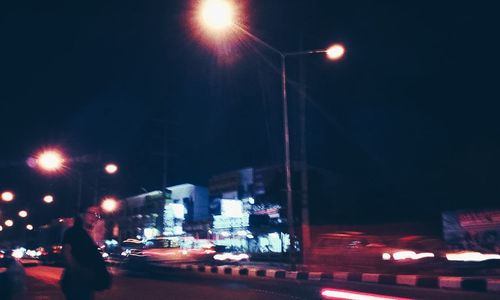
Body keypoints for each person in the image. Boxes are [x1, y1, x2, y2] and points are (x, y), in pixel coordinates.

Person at [60, 206, 111, 300]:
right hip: (75, 282)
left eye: (97, 215)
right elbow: (66, 252)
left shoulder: (91, 235)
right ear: (82, 215)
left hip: (87, 283)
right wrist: (78, 271)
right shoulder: (73, 231)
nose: (94, 217)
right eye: (91, 213)